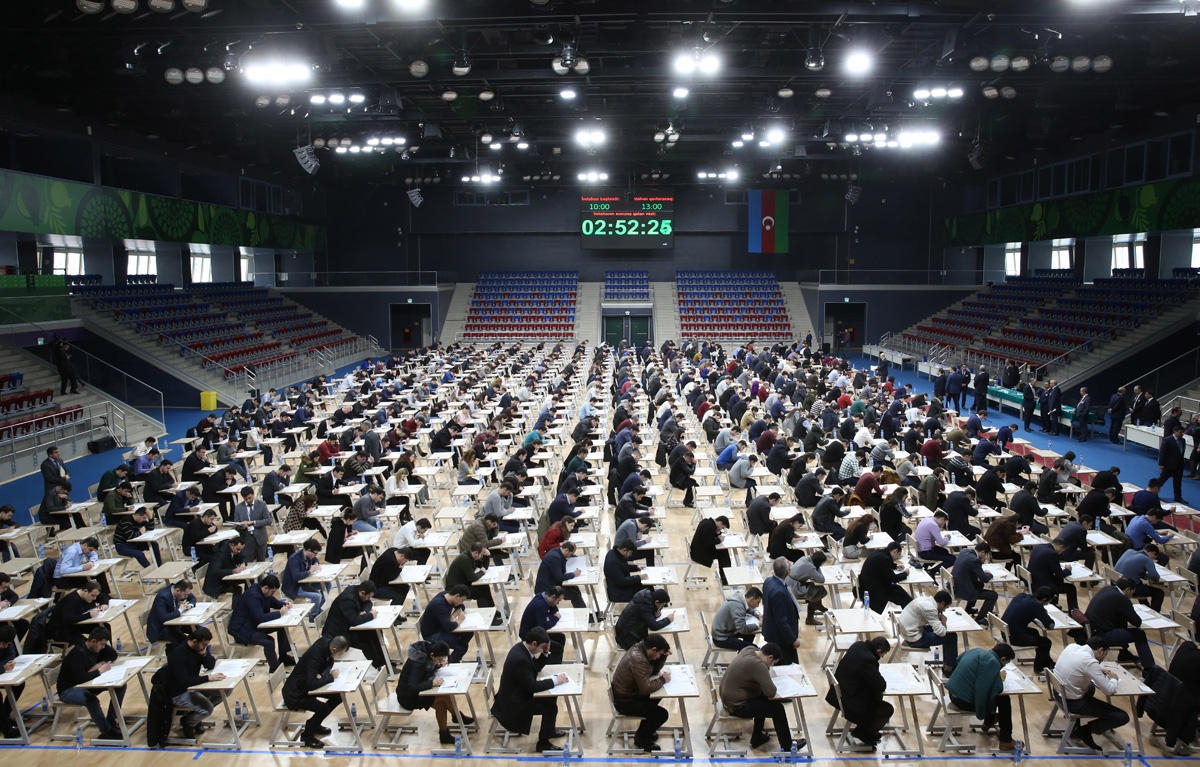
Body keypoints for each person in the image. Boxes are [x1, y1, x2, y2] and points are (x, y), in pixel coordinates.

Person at [490, 627, 570, 752]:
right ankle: (543, 744)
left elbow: (534, 668)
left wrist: (544, 654)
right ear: (534, 644)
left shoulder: (521, 648)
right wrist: (555, 681)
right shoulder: (520, 659)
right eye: (542, 647)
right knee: (550, 707)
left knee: (551, 699)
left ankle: (548, 730)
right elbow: (532, 687)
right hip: (513, 705)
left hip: (513, 695)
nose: (543, 649)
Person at [1053, 637, 1130, 752]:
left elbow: (1080, 665)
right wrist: (1113, 679)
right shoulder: (1090, 662)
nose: (1104, 658)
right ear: (1100, 650)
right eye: (1105, 654)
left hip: (1058, 693)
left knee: (1091, 688)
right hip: (1072, 703)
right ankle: (1085, 731)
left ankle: (1077, 727)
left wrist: (1097, 670)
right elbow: (1109, 690)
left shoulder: (1072, 647)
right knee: (1122, 717)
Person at [720, 643, 800, 752]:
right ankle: (788, 746)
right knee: (777, 709)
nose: (770, 666)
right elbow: (771, 693)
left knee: (763, 699)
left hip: (730, 698)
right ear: (770, 657)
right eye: (772, 663)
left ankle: (757, 737)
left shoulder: (749, 649)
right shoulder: (758, 665)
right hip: (737, 706)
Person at [396, 639, 475, 745]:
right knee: (441, 701)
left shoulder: (430, 650)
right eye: (440, 660)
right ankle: (452, 723)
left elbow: (430, 668)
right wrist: (431, 683)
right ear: (432, 655)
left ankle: (453, 722)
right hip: (408, 697)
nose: (441, 662)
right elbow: (412, 687)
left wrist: (440, 663)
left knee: (444, 698)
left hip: (419, 689)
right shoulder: (417, 663)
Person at [150, 626, 224, 739]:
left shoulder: (198, 649)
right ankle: (188, 722)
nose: (205, 647)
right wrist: (207, 678)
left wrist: (204, 654)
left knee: (222, 692)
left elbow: (210, 664)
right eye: (203, 645)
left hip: (192, 686)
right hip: (178, 693)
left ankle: (195, 716)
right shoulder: (178, 654)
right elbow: (184, 682)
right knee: (207, 709)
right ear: (195, 641)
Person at [57, 627, 125, 740]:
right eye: (102, 644)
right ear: (93, 641)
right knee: (91, 700)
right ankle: (106, 731)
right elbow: (80, 678)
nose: (103, 647)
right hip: (69, 689)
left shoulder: (96, 647)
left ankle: (111, 720)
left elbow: (113, 655)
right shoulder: (78, 653)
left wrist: (101, 663)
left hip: (88, 684)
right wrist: (99, 671)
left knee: (120, 686)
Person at [283, 634, 349, 749]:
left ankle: (315, 724)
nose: (340, 656)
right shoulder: (316, 656)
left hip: (305, 687)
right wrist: (330, 677)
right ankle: (307, 736)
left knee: (337, 697)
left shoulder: (327, 643)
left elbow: (329, 663)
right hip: (295, 694)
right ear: (334, 649)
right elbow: (312, 683)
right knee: (323, 708)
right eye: (340, 653)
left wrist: (322, 675)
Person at [945, 644, 1016, 750]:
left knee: (995, 694)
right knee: (1003, 698)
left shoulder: (977, 651)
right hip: (962, 701)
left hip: (953, 694)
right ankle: (1006, 740)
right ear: (1003, 659)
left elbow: (958, 659)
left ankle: (989, 721)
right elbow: (981, 690)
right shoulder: (993, 662)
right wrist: (983, 712)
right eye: (1005, 663)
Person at [826, 637, 893, 749]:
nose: (881, 657)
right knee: (886, 708)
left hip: (839, 693)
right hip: (848, 701)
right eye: (882, 655)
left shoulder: (858, 645)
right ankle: (863, 732)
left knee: (875, 695)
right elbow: (881, 685)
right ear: (879, 651)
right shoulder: (868, 659)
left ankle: (866, 730)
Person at [610, 633, 673, 752]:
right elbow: (646, 689)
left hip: (629, 694)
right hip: (625, 702)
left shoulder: (641, 648)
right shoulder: (639, 659)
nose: (658, 657)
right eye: (659, 654)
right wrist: (663, 679)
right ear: (653, 650)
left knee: (657, 697)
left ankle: (647, 730)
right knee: (661, 714)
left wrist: (664, 656)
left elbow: (654, 671)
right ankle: (641, 739)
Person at [1085, 577, 1156, 669]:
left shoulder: (1107, 589)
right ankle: (1150, 669)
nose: (1131, 596)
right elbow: (1137, 622)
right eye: (1132, 593)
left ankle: (1124, 654)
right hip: (1101, 635)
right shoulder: (1121, 598)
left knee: (1122, 624)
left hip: (1092, 629)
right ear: (1127, 590)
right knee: (1139, 634)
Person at [227, 573, 294, 672]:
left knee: (282, 627)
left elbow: (271, 600)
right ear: (266, 588)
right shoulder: (253, 596)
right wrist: (279, 613)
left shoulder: (262, 591)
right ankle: (274, 670)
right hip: (242, 630)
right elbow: (260, 618)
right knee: (269, 642)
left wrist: (283, 604)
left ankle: (284, 657)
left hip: (254, 625)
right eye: (272, 592)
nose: (273, 594)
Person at [323, 580, 385, 669]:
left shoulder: (358, 592)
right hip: (339, 633)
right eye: (368, 596)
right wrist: (370, 615)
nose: (369, 599)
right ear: (363, 593)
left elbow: (368, 603)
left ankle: (384, 663)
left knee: (376, 632)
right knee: (366, 641)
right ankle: (378, 665)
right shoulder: (348, 599)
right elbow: (354, 621)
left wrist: (364, 611)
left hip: (348, 627)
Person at [897, 590, 958, 671]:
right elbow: (941, 633)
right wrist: (944, 623)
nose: (944, 610)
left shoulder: (925, 600)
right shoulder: (931, 609)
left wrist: (937, 620)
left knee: (935, 629)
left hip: (907, 631)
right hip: (914, 639)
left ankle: (948, 663)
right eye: (945, 607)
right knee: (952, 637)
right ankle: (949, 669)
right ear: (942, 603)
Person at [1001, 587, 1057, 673]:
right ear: (1044, 599)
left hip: (1005, 631)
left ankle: (1047, 662)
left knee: (1035, 632)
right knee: (1046, 642)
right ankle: (1039, 668)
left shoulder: (1021, 595)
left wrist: (1040, 612)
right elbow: (1050, 625)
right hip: (1013, 636)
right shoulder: (1036, 606)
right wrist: (1043, 613)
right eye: (1049, 602)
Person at [762, 557, 801, 664]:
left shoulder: (768, 581)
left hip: (772, 630)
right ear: (787, 572)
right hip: (780, 638)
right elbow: (781, 621)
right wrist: (793, 639)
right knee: (788, 667)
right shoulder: (779, 592)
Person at [419, 585, 472, 662]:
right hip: (432, 635)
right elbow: (449, 627)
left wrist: (453, 615)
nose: (462, 602)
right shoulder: (439, 604)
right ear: (457, 596)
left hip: (441, 628)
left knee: (468, 633)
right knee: (461, 646)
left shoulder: (448, 595)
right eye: (462, 600)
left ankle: (453, 659)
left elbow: (461, 606)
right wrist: (459, 620)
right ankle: (451, 664)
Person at [49, 580, 107, 647]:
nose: (95, 598)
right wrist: (89, 615)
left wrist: (104, 604)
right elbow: (68, 619)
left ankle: (104, 649)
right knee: (87, 644)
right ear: (85, 591)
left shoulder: (89, 594)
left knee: (103, 628)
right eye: (93, 596)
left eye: (96, 596)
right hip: (61, 630)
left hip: (76, 625)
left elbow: (103, 596)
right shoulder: (71, 600)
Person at [859, 542, 912, 613]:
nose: (898, 557)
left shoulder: (879, 552)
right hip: (874, 592)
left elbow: (883, 567)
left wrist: (895, 566)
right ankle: (910, 614)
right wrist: (905, 574)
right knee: (902, 597)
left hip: (868, 585)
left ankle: (910, 611)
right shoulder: (885, 559)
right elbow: (894, 579)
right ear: (895, 551)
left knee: (899, 589)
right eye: (899, 554)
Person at [1113, 543, 1167, 612]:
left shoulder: (1129, 551)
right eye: (1154, 558)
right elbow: (1155, 577)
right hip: (1127, 589)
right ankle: (1155, 614)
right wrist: (1148, 576)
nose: (1153, 559)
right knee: (1159, 593)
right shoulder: (1147, 559)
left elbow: (1131, 568)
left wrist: (1142, 574)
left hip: (1114, 583)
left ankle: (1147, 609)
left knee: (1140, 584)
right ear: (1153, 553)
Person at [282, 539, 326, 621]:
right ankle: (313, 617)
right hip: (294, 587)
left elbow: (315, 560)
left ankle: (317, 609)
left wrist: (316, 564)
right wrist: (310, 571)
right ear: (309, 550)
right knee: (317, 596)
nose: (315, 555)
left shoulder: (308, 555)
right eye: (315, 553)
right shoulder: (294, 559)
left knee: (327, 585)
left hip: (304, 583)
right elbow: (296, 577)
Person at [952, 542, 998, 622]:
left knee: (979, 584)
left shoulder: (964, 551)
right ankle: (980, 619)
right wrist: (989, 574)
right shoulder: (975, 560)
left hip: (956, 585)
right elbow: (985, 579)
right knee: (993, 595)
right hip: (964, 590)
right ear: (983, 552)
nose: (985, 557)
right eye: (985, 554)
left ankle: (969, 609)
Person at [147, 579, 197, 650]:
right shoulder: (162, 597)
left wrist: (190, 605)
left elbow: (192, 598)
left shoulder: (180, 589)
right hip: (162, 629)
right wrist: (180, 610)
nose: (186, 597)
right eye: (185, 595)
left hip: (175, 624)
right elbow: (164, 618)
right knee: (187, 642)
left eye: (187, 594)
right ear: (177, 590)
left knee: (199, 631)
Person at [786, 551, 828, 625]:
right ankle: (810, 618)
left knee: (817, 587)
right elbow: (821, 579)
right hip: (794, 588)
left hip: (789, 582)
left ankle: (818, 605)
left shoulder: (805, 558)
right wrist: (817, 567)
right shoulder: (810, 567)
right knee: (817, 591)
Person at [231, 486, 271, 562]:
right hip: (246, 539)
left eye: (249, 498)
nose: (248, 500)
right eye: (245, 499)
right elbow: (236, 524)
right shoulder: (238, 508)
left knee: (261, 562)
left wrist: (253, 522)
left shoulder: (262, 504)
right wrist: (241, 526)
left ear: (253, 494)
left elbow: (268, 520)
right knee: (248, 562)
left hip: (260, 538)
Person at [689, 514, 732, 583]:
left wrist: (717, 533)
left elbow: (709, 537)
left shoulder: (706, 522)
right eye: (722, 527)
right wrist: (719, 540)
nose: (721, 529)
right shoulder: (709, 526)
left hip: (697, 550)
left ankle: (725, 576)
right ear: (720, 523)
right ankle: (725, 578)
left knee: (723, 552)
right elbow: (709, 543)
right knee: (724, 554)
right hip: (699, 554)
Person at [368, 546, 413, 610]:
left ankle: (397, 610)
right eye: (405, 561)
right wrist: (399, 569)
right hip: (376, 588)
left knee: (405, 587)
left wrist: (397, 568)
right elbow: (391, 577)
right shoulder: (389, 560)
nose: (404, 563)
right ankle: (394, 613)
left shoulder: (393, 550)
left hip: (382, 582)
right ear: (402, 556)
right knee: (398, 597)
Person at [1158, 423, 1189, 504]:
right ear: (1175, 431)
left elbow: (1181, 452)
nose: (1181, 434)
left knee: (1178, 482)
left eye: (1182, 432)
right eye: (1180, 432)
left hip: (1179, 465)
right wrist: (1161, 463)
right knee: (1161, 480)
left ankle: (1178, 497)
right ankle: (1154, 494)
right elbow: (1162, 453)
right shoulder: (1167, 440)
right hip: (1168, 465)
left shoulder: (1183, 440)